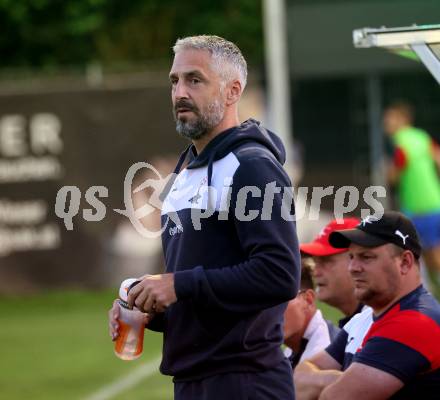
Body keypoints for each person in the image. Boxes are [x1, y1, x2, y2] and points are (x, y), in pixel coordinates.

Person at [109, 35, 300, 399]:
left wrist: (178, 285)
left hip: (245, 380)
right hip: (195, 381)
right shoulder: (184, 174)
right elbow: (204, 286)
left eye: (195, 80)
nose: (180, 92)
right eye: (174, 81)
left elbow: (280, 273)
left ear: (232, 91)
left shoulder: (253, 166)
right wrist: (149, 307)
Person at [295, 211, 440, 400]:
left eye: (366, 257)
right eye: (351, 257)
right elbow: (298, 378)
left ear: (405, 262)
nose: (353, 268)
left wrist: (331, 383)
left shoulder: (415, 321)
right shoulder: (364, 318)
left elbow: (336, 397)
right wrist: (343, 379)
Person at [384, 101, 440, 296]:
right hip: (435, 200)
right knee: (430, 252)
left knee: (418, 251)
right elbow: (437, 159)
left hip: (417, 206)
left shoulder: (401, 141)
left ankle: (425, 292)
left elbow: (396, 172)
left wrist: (389, 173)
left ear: (402, 120)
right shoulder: (422, 136)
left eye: (390, 119)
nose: (386, 123)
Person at [300, 218, 363, 327]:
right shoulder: (359, 324)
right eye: (315, 262)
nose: (315, 273)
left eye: (326, 261)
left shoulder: (380, 323)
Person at [283, 258, 340, 370]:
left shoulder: (327, 352)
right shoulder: (293, 347)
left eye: (281, 301)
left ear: (308, 300)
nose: (269, 312)